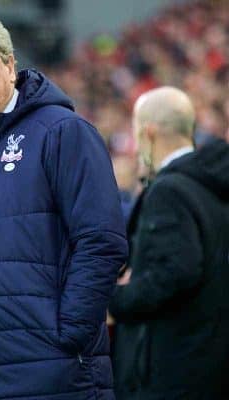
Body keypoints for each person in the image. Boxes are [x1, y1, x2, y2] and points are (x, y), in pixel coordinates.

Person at [0, 11, 128, 400]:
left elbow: (102, 242)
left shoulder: (63, 132)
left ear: (9, 65)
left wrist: (67, 334)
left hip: (55, 376)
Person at [109, 87, 229, 399]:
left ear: (148, 133)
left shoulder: (168, 192)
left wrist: (118, 298)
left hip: (174, 367)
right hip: (208, 362)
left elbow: (176, 270)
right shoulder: (211, 186)